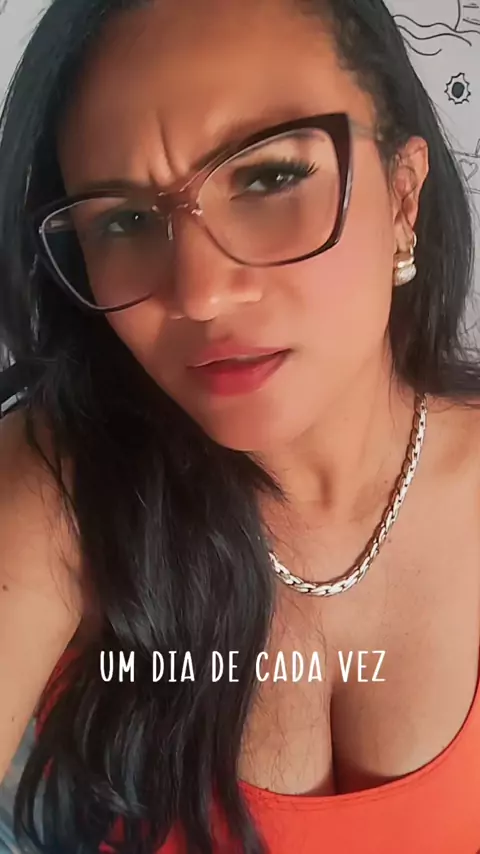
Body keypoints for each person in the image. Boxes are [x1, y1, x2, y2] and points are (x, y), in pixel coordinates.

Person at [1, 0, 480, 851]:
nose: (200, 293)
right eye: (125, 220)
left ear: (404, 197)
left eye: (268, 178)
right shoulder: (61, 487)